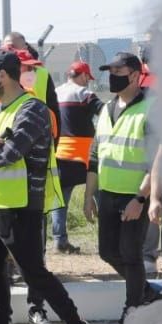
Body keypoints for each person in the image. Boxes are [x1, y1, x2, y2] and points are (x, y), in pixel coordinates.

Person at [0, 51, 92, 324]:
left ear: (4, 75)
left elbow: (10, 153)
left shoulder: (33, 110)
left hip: (19, 206)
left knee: (34, 273)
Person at [84, 52, 161, 324]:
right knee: (108, 252)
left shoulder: (152, 109)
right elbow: (95, 155)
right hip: (106, 194)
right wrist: (88, 196)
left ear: (135, 74)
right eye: (110, 71)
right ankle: (147, 293)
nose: (112, 76)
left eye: (118, 71)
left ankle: (132, 313)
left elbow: (157, 161)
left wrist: (140, 198)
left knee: (131, 254)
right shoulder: (106, 108)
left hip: (133, 196)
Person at [53, 61, 102, 254]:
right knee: (100, 196)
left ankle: (59, 240)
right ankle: (106, 237)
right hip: (85, 156)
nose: (87, 82)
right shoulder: (84, 94)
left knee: (60, 200)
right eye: (87, 78)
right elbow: (104, 112)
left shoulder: (55, 93)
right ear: (82, 75)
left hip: (60, 154)